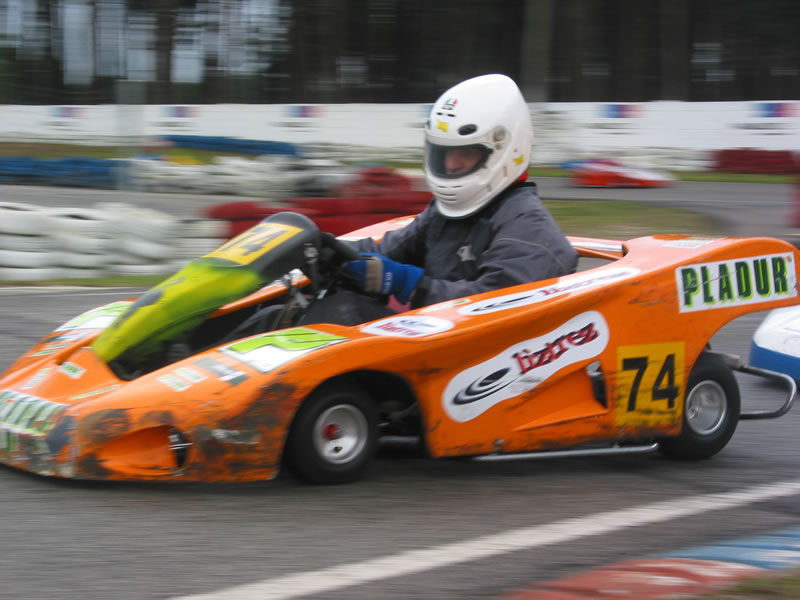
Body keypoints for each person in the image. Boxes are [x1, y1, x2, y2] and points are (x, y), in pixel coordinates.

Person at [301, 73, 578, 326]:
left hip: (485, 349)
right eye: (444, 153)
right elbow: (389, 248)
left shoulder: (529, 228)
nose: (451, 165)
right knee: (332, 304)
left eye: (465, 154)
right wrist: (322, 248)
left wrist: (408, 283)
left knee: (344, 312)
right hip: (439, 336)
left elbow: (496, 304)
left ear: (506, 151)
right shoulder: (445, 213)